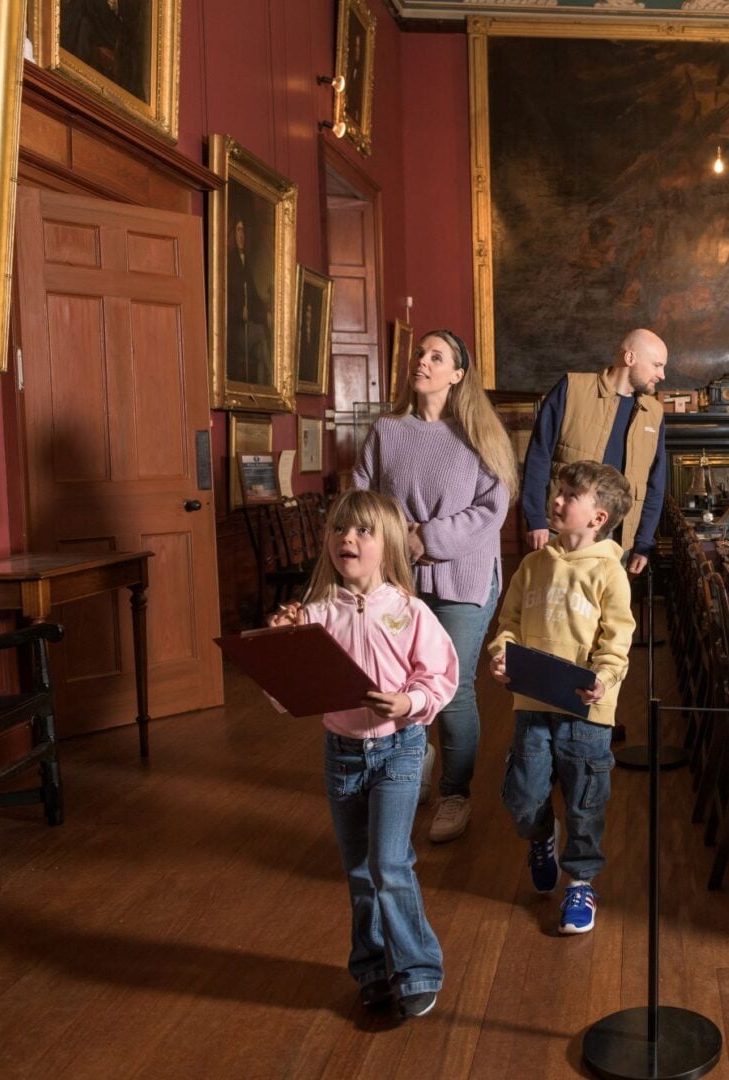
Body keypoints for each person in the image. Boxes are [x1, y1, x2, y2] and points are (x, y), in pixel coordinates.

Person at [268, 489, 459, 1019]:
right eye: (338, 529)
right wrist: (281, 646)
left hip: (400, 750)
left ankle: (418, 969)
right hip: (342, 755)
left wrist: (409, 701)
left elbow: (439, 676)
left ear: (389, 544)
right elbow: (287, 696)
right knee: (358, 869)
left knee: (389, 863)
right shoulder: (314, 615)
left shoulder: (410, 611)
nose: (346, 538)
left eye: (362, 531)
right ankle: (373, 968)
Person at [353, 328, 517, 844]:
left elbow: (492, 508)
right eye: (420, 353)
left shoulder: (479, 434)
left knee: (451, 689)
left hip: (463, 578)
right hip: (398, 578)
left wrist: (427, 537)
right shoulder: (386, 430)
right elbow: (361, 496)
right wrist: (395, 540)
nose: (422, 361)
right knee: (400, 683)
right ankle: (412, 766)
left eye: (436, 356)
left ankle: (455, 793)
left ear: (457, 374)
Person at [489, 461, 635, 934]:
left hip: (585, 710)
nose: (556, 500)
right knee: (523, 797)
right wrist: (501, 654)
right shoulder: (533, 565)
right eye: (559, 490)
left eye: (570, 495)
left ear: (598, 517)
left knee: (584, 801)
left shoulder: (609, 572)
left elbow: (617, 640)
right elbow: (509, 624)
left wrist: (605, 679)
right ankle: (540, 836)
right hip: (532, 703)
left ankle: (580, 882)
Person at [520, 328, 668, 577]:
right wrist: (534, 518)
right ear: (630, 358)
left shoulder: (654, 413)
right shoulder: (572, 388)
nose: (662, 375)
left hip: (619, 544)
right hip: (560, 535)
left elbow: (655, 483)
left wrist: (643, 542)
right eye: (657, 365)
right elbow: (538, 456)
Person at [225, 216, 272, 386]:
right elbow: (225, 296)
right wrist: (240, 311)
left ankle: (264, 392)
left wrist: (266, 313)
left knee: (261, 354)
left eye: (243, 231)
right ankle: (273, 380)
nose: (241, 235)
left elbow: (254, 296)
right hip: (234, 330)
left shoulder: (247, 263)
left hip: (246, 327)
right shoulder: (229, 262)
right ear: (233, 234)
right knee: (261, 333)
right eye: (238, 230)